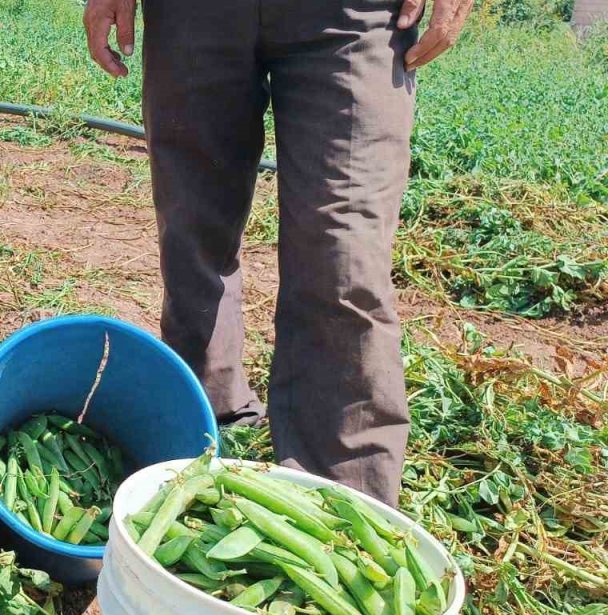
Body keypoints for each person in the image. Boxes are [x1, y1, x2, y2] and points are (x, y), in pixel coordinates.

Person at [83, 0, 472, 507]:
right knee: (192, 233)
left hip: (352, 17)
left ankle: (337, 505)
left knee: (343, 256)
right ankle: (204, 437)